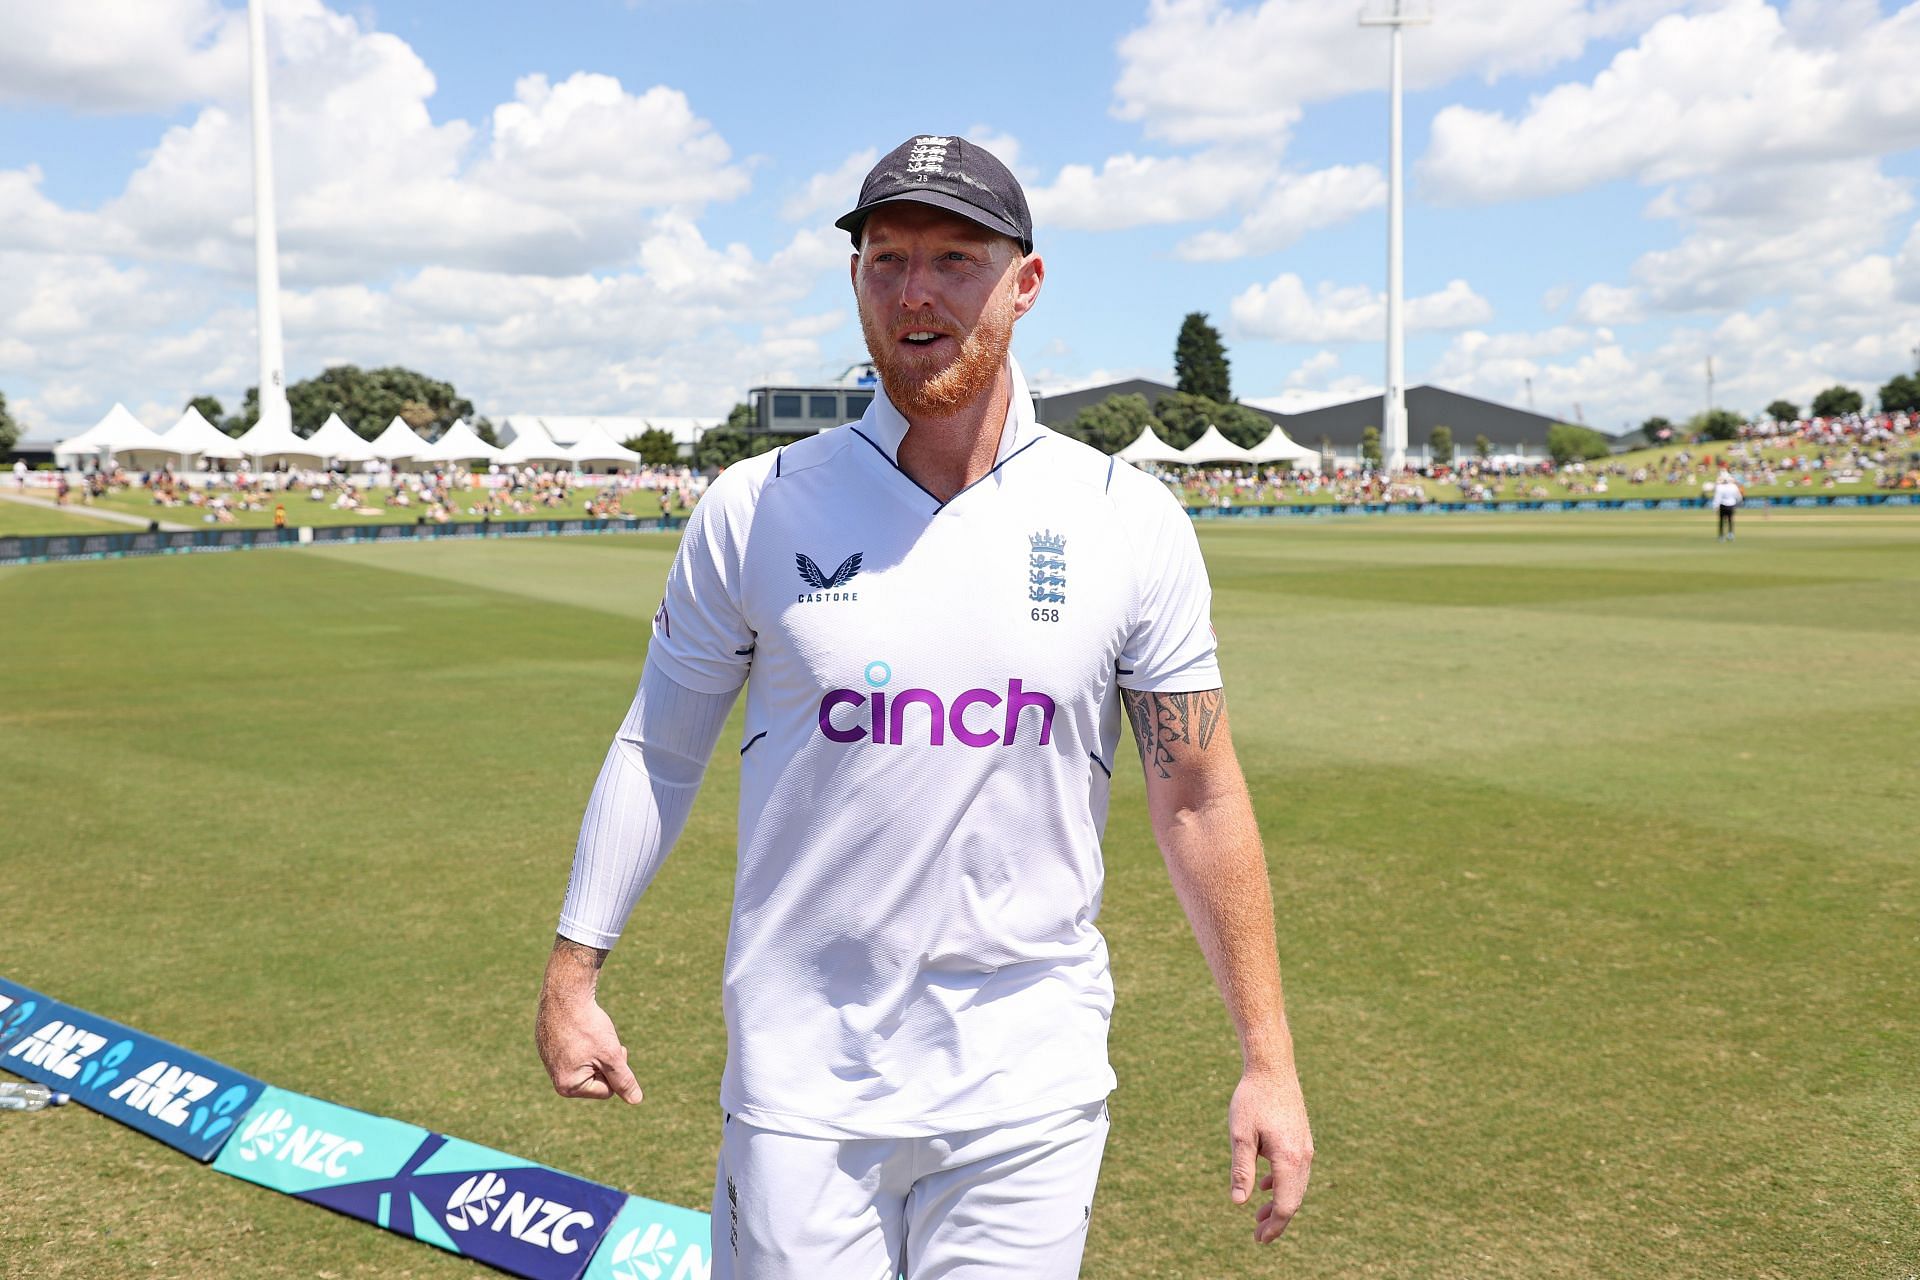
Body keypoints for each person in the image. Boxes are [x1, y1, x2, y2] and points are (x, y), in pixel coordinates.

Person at [535, 134, 1311, 1278]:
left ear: (1024, 283)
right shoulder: (759, 508)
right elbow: (659, 747)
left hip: (1028, 1090)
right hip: (803, 1087)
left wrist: (1269, 1054)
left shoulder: (1125, 518)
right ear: (856, 281)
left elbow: (1196, 790)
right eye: (886, 258)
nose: (916, 293)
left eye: (955, 258)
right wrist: (572, 971)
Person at [1713, 468, 1743, 540]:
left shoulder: (1720, 487)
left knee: (1722, 521)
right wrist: (1739, 503)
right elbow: (1738, 496)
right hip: (1731, 505)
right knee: (1730, 520)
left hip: (1723, 505)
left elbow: (1717, 498)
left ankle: (1721, 535)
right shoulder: (1733, 486)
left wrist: (1715, 507)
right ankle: (1730, 534)